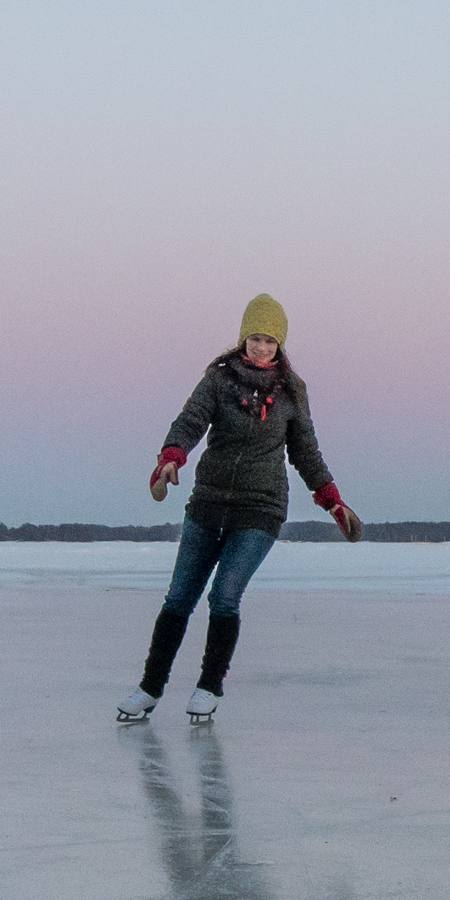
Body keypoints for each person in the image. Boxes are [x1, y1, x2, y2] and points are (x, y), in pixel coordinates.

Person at [117, 293, 361, 723]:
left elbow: (306, 450)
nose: (261, 347)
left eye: (270, 340)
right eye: (255, 338)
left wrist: (331, 500)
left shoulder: (291, 392)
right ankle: (148, 688)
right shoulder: (218, 379)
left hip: (261, 509)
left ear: (280, 344)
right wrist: (171, 457)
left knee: (224, 596)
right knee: (178, 598)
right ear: (243, 339)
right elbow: (190, 419)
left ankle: (209, 687)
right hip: (209, 502)